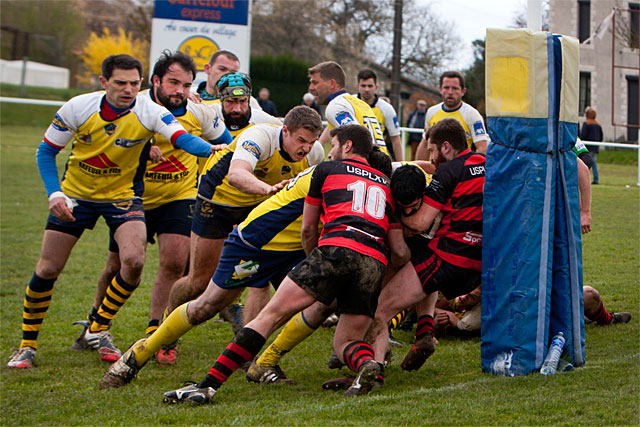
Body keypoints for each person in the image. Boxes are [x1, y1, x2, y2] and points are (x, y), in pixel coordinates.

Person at [99, 136, 393, 391]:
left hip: (294, 250)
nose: (324, 150)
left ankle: (264, 363)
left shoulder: (342, 173)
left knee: (321, 305)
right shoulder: (328, 173)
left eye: (328, 143)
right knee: (206, 305)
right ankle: (136, 356)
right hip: (257, 243)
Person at [7, 54, 217, 369]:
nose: (128, 89)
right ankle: (26, 345)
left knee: (133, 262)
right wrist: (55, 193)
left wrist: (212, 149)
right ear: (104, 82)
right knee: (49, 268)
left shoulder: (150, 110)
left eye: (134, 83)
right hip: (76, 196)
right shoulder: (78, 107)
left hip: (122, 197)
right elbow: (47, 151)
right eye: (120, 82)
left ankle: (98, 328)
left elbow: (181, 137)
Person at [72, 51, 233, 365]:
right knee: (118, 266)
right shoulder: (137, 105)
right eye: (173, 82)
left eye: (186, 85)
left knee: (174, 262)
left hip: (180, 195)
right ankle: (96, 324)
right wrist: (144, 145)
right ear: (156, 81)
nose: (180, 91)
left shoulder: (201, 111)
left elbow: (226, 146)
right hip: (133, 197)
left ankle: (158, 333)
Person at [164, 105, 325, 335]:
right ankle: (167, 322)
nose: (306, 148)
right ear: (285, 130)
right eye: (301, 140)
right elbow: (236, 174)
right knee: (199, 282)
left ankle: (245, 346)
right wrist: (267, 190)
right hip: (218, 200)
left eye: (312, 141)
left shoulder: (315, 153)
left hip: (257, 205)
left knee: (260, 276)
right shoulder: (260, 137)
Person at [368, 118, 485, 375]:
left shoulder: (448, 171)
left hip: (449, 258)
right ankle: (424, 331)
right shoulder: (486, 164)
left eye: (431, 150)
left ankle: (372, 370)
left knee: (380, 309)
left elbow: (420, 223)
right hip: (479, 264)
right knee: (423, 254)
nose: (431, 157)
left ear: (445, 146)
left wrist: (395, 216)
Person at [308, 61, 388, 156]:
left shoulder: (336, 106)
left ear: (332, 84)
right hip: (382, 162)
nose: (311, 88)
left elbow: (357, 139)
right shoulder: (359, 103)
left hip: (368, 166)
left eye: (315, 83)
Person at [416, 71, 489, 159]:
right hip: (436, 170)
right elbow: (424, 144)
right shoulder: (431, 112)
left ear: (463, 91)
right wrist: (419, 168)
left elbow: (482, 148)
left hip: (460, 170)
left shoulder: (472, 114)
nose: (450, 92)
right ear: (440, 89)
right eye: (446, 88)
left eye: (454, 88)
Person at [354, 69, 403, 161]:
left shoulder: (386, 108)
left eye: (370, 86)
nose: (366, 89)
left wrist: (401, 164)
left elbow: (396, 138)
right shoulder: (349, 103)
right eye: (363, 86)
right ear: (357, 86)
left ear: (376, 87)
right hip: (353, 155)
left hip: (377, 157)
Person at [194, 50, 261, 110]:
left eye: (232, 72)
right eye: (222, 69)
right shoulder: (190, 95)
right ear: (208, 69)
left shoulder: (247, 101)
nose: (227, 75)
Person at [580, 107, 603, 184]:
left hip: (588, 147)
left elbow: (583, 135)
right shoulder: (598, 124)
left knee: (586, 163)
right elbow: (601, 136)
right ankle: (596, 178)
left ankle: (585, 179)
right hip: (596, 147)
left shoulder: (586, 123)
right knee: (594, 163)